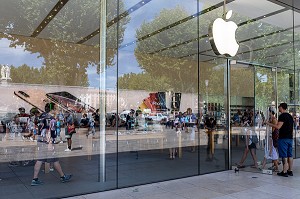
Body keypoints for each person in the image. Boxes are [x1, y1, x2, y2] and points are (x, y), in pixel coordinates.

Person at [266, 103, 294, 177]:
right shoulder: (290, 116)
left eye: (279, 107)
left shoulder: (282, 116)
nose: (278, 109)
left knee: (284, 156)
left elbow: (278, 127)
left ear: (281, 107)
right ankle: (290, 170)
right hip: (290, 138)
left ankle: (284, 172)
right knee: (290, 155)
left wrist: (268, 123)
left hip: (283, 138)